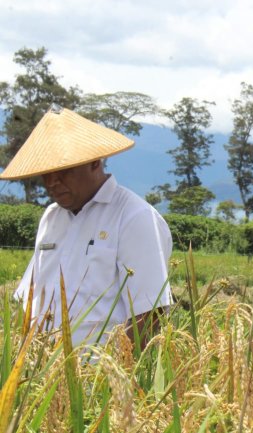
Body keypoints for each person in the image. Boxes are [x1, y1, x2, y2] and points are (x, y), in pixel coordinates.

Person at [0, 106, 174, 347]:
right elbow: (31, 299)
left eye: (63, 170)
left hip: (98, 377)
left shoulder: (135, 217)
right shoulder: (52, 217)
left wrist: (111, 376)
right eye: (45, 173)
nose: (52, 182)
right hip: (44, 373)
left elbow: (150, 314)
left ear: (94, 162)